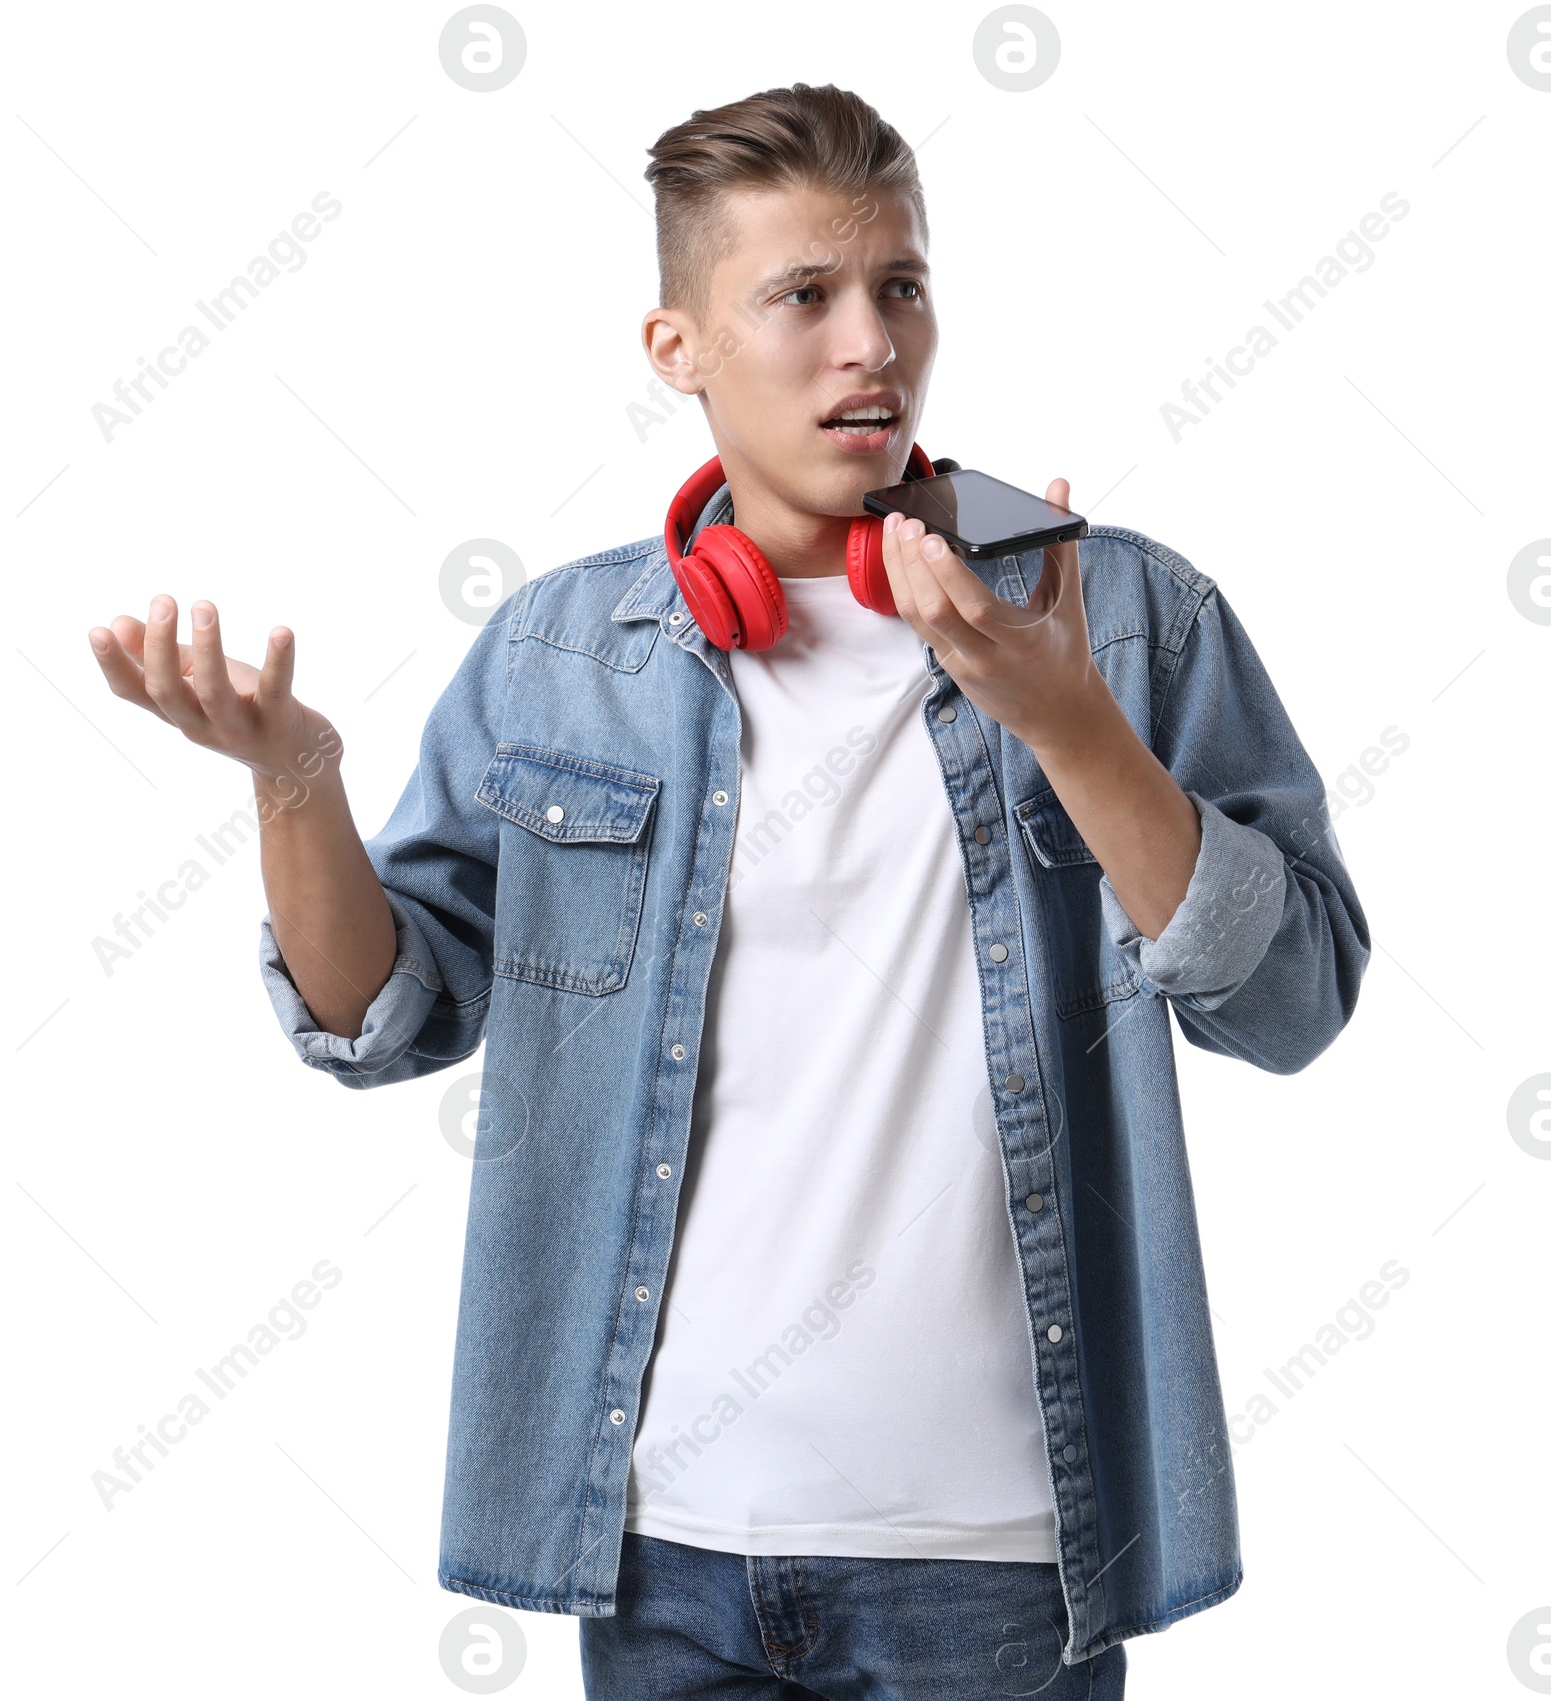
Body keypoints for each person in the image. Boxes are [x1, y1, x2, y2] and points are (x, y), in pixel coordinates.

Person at [88, 82, 1369, 1701]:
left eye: (901, 285)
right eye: (804, 297)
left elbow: (1296, 999)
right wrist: (294, 785)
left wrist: (1068, 721)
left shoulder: (1116, 614)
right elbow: (380, 1015)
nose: (871, 346)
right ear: (677, 346)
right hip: (659, 1555)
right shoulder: (561, 658)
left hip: (1005, 1565)